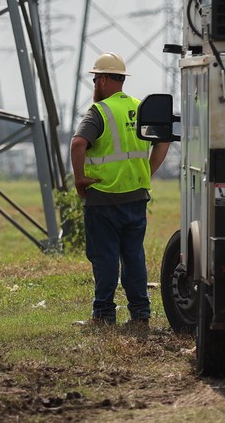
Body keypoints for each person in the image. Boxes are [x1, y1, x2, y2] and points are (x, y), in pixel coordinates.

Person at [70, 51, 169, 328]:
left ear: (102, 80)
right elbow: (163, 141)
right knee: (133, 256)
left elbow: (78, 144)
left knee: (105, 258)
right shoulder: (141, 107)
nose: (94, 86)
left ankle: (103, 315)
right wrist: (147, 171)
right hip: (136, 196)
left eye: (94, 81)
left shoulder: (99, 111)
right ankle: (140, 315)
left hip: (103, 198)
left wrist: (79, 180)